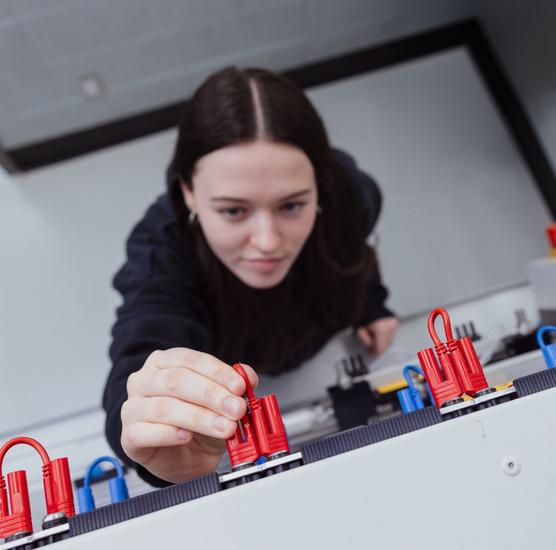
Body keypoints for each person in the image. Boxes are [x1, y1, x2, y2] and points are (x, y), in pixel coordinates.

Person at [103, 67, 398, 486]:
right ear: (188, 191)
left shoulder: (352, 192)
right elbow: (139, 367)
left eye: (292, 205)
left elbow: (357, 246)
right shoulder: (162, 251)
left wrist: (372, 303)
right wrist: (154, 443)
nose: (267, 240)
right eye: (233, 211)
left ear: (321, 184)